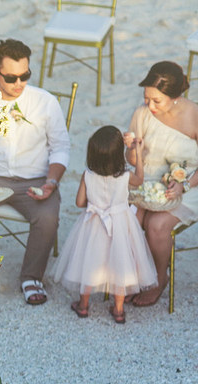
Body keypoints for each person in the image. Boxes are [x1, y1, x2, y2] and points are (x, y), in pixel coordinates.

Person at [0, 39, 71, 306]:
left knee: (47, 217)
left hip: (34, 181)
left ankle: (31, 276)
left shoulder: (45, 102)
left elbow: (61, 148)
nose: (19, 83)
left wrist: (51, 183)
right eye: (11, 78)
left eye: (25, 75)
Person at [53, 126, 157, 323]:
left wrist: (95, 203)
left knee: (89, 261)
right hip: (120, 224)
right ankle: (118, 309)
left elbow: (79, 203)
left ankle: (83, 305)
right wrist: (137, 153)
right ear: (119, 155)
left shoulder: (88, 175)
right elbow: (140, 179)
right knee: (120, 262)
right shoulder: (125, 176)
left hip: (93, 224)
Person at [126, 61, 198, 307]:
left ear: (175, 95)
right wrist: (133, 149)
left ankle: (158, 278)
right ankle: (130, 276)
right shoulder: (141, 114)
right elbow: (132, 161)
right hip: (146, 181)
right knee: (128, 217)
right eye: (147, 98)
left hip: (188, 184)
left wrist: (184, 185)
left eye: (157, 100)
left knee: (156, 225)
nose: (150, 105)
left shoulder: (194, 115)